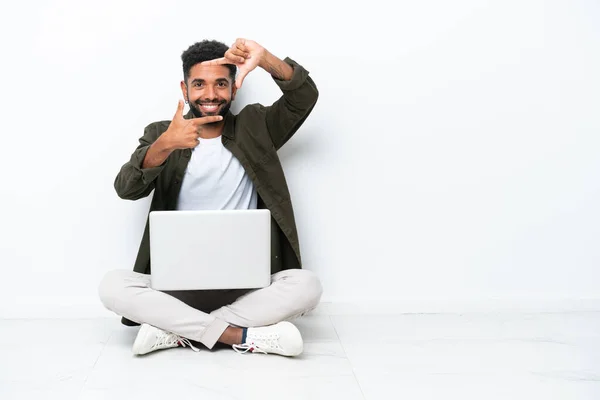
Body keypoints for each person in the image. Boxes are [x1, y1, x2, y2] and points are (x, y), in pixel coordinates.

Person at [98, 38, 322, 357]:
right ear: (185, 88)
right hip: (177, 288)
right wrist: (164, 145)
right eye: (199, 84)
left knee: (307, 285)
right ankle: (239, 334)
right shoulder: (161, 133)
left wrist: (266, 59)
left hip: (249, 286)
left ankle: (177, 330)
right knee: (112, 285)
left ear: (234, 87)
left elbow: (304, 96)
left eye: (221, 83)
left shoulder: (257, 126)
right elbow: (127, 188)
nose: (210, 94)